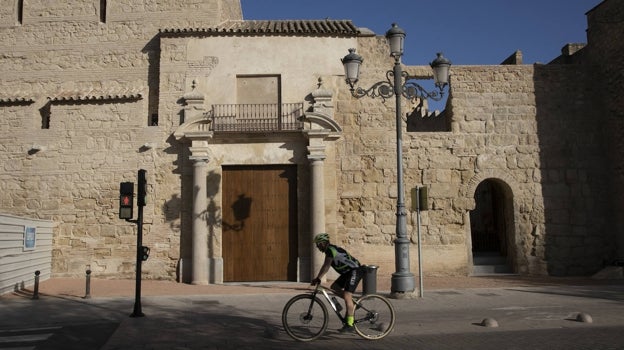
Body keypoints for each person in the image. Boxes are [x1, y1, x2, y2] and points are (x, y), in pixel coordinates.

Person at [311, 233, 363, 333]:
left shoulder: (330, 250)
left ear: (323, 243)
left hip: (355, 270)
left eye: (318, 244)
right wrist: (318, 278)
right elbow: (326, 266)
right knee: (334, 287)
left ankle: (350, 324)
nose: (317, 247)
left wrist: (318, 278)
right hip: (348, 272)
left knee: (347, 295)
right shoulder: (329, 250)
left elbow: (326, 266)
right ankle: (354, 302)